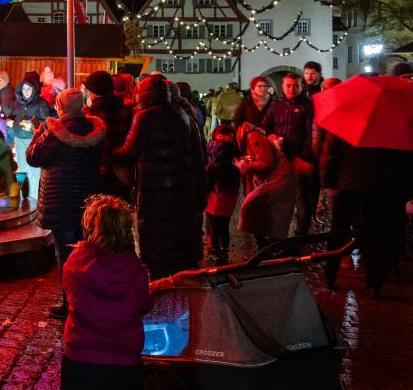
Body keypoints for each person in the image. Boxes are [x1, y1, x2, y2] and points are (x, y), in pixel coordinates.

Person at [43, 194, 152, 390]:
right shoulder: (136, 269)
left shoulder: (76, 261)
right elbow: (143, 305)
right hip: (123, 369)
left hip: (81, 364)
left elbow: (69, 291)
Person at [113, 75, 205, 280]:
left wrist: (110, 153)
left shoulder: (144, 116)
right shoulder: (181, 113)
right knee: (179, 245)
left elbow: (129, 151)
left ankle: (162, 294)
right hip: (182, 190)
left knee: (158, 246)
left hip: (155, 192)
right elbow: (197, 153)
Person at [27, 88, 107, 320]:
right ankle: (88, 298)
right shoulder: (96, 130)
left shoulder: (55, 132)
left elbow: (34, 157)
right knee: (87, 250)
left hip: (60, 199)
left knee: (65, 254)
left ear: (61, 107)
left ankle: (70, 302)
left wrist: (36, 134)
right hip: (88, 198)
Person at [319, 122, 413, 297]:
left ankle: (329, 276)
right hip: (377, 185)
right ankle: (374, 285)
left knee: (338, 233)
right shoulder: (389, 124)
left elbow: (330, 152)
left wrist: (327, 181)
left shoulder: (346, 119)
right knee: (374, 235)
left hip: (346, 184)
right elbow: (400, 160)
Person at [262, 72, 316, 235]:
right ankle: (277, 235)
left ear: (302, 86)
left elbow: (311, 135)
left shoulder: (308, 106)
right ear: (283, 86)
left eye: (295, 85)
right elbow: (265, 126)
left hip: (299, 159)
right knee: (278, 199)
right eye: (288, 85)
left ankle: (300, 236)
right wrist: (269, 135)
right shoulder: (276, 106)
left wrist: (303, 157)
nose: (292, 89)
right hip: (279, 159)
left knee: (301, 199)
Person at [235, 123, 297, 248]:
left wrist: (246, 166)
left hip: (279, 180)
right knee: (268, 213)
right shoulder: (248, 138)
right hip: (277, 180)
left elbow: (266, 163)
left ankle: (268, 246)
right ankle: (267, 246)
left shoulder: (253, 137)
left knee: (249, 208)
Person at [83, 71, 134, 200]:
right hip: (123, 175)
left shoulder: (89, 116)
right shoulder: (128, 112)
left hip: (96, 175)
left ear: (93, 92)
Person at [12, 71, 52, 202]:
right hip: (19, 140)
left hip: (33, 140)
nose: (26, 91)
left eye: (29, 88)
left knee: (34, 171)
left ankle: (34, 199)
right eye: (24, 88)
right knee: (22, 170)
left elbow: (47, 123)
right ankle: (24, 198)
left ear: (34, 89)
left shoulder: (41, 104)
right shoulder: (18, 103)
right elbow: (13, 116)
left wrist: (33, 124)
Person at [203, 124, 239, 264]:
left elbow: (206, 183)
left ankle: (215, 250)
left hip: (214, 200)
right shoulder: (233, 167)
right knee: (224, 226)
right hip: (228, 201)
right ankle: (223, 250)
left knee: (214, 225)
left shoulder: (211, 166)